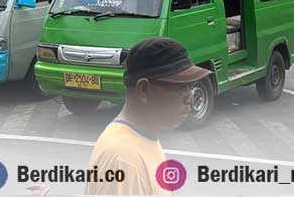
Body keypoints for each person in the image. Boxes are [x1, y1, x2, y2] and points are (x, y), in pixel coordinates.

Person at [86, 38, 211, 195]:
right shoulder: (124, 158)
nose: (190, 98)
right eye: (181, 87)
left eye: (190, 87)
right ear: (144, 90)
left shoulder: (140, 138)